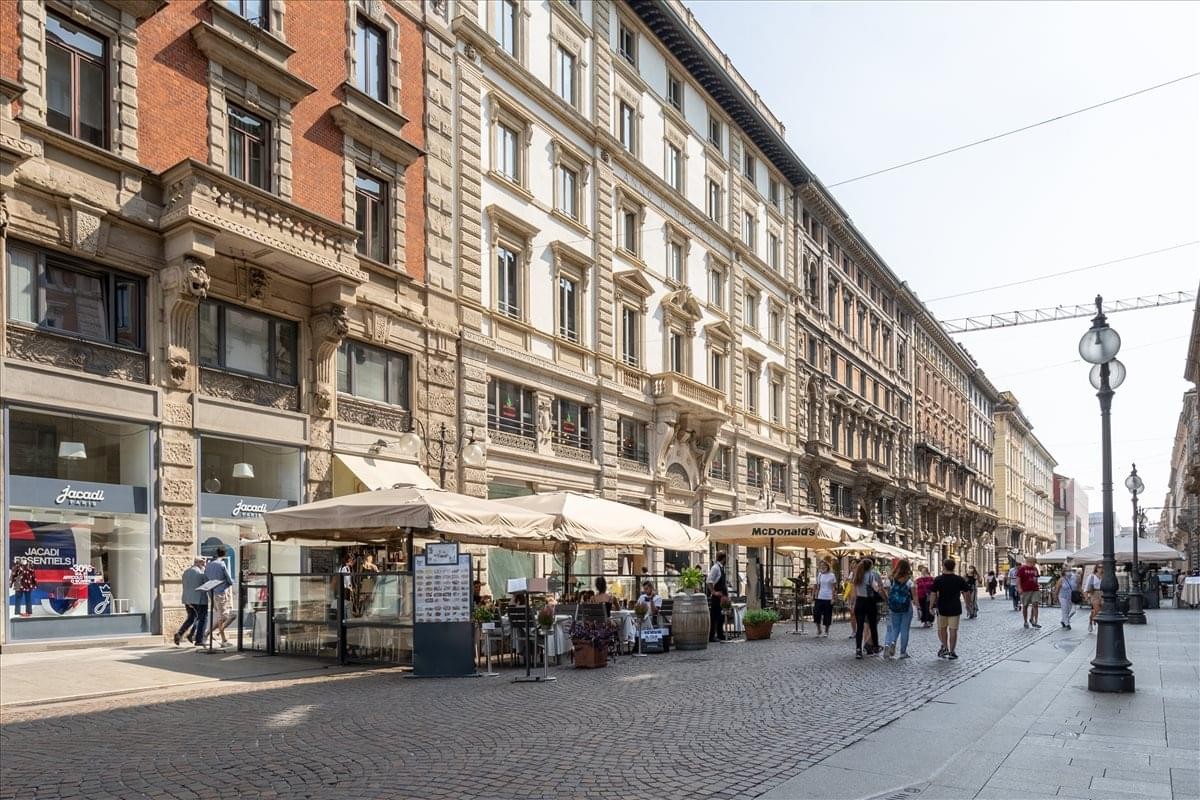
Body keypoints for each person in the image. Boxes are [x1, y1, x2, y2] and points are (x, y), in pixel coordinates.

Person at [929, 558, 971, 660]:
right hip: (955, 607)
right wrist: (968, 604)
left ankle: (945, 648)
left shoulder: (938, 579)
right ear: (954, 567)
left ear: (944, 566)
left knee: (942, 629)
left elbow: (933, 594)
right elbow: (967, 592)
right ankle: (952, 652)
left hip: (942, 608)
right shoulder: (959, 579)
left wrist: (930, 606)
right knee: (953, 630)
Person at [202, 547, 235, 648]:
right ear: (224, 555)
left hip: (213, 593)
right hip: (222, 593)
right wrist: (230, 583)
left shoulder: (208, 565)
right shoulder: (221, 564)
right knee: (224, 617)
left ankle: (212, 634)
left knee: (223, 616)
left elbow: (206, 579)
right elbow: (229, 580)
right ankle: (219, 638)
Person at [882, 559, 916, 659]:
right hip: (906, 607)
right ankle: (902, 652)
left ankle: (890, 643)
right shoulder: (909, 580)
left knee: (894, 627)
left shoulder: (890, 578)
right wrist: (918, 606)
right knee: (905, 629)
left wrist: (888, 601)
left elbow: (886, 591)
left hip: (893, 607)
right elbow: (914, 595)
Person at [851, 557, 883, 659]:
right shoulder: (870, 575)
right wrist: (878, 588)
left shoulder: (857, 575)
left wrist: (852, 604)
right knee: (873, 626)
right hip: (869, 602)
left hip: (859, 602)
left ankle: (858, 650)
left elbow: (854, 592)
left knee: (860, 628)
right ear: (870, 567)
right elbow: (875, 588)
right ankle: (875, 648)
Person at [175, 557, 207, 646]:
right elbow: (206, 583)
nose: (205, 565)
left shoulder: (186, 572)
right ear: (199, 563)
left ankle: (180, 633)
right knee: (202, 618)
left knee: (191, 618)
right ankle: (198, 639)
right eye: (203, 563)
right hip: (199, 599)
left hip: (187, 599)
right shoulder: (201, 572)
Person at [707, 552, 728, 642]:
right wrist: (713, 592)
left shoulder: (721, 567)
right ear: (724, 558)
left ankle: (720, 634)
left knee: (721, 616)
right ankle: (711, 636)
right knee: (714, 616)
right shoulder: (715, 568)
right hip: (717, 597)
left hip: (722, 596)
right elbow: (709, 581)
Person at [812, 560, 836, 637]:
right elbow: (817, 586)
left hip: (828, 597)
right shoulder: (819, 575)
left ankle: (826, 631)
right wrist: (814, 595)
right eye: (821, 566)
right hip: (820, 597)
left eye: (824, 566)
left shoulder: (832, 575)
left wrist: (833, 598)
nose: (822, 567)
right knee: (816, 614)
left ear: (827, 566)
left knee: (827, 615)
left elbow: (833, 588)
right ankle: (819, 630)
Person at [1017, 556, 1042, 629]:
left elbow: (1036, 578)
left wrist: (1038, 585)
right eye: (1034, 563)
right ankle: (1025, 621)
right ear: (1029, 562)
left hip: (1035, 589)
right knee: (1025, 606)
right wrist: (1019, 588)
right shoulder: (1022, 569)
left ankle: (1034, 621)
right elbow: (1018, 579)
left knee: (1035, 604)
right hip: (1025, 590)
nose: (1034, 564)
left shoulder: (1035, 569)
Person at [1084, 565, 1103, 632]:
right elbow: (1086, 587)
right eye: (1099, 567)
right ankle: (1096, 624)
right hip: (1094, 593)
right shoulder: (1091, 576)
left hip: (1103, 593)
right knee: (1097, 610)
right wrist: (1087, 598)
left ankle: (1092, 619)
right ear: (1096, 568)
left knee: (1101, 610)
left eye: (1102, 567)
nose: (1101, 568)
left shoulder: (1105, 576)